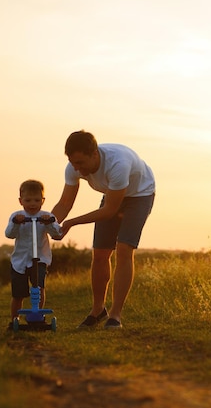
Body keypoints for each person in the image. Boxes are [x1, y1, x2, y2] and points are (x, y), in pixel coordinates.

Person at [52, 130, 155, 330]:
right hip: (113, 194)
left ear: (95, 154)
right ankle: (98, 310)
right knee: (99, 253)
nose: (77, 169)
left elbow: (109, 211)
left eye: (81, 163)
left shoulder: (118, 163)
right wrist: (47, 225)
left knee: (124, 249)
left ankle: (115, 315)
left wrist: (71, 223)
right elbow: (64, 203)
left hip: (140, 195)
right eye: (73, 163)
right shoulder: (73, 167)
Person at [5, 179, 63, 329]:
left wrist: (49, 222)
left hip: (40, 259)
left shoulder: (47, 216)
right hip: (20, 261)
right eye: (28, 200)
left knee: (39, 287)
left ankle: (38, 316)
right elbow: (9, 234)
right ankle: (14, 320)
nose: (32, 204)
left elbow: (57, 232)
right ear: (21, 200)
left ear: (42, 200)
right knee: (18, 293)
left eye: (37, 200)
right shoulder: (17, 216)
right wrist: (16, 223)